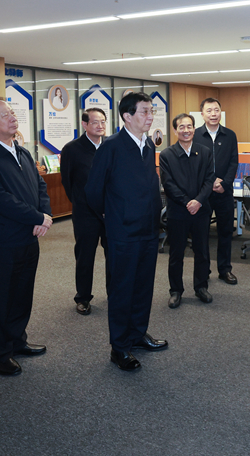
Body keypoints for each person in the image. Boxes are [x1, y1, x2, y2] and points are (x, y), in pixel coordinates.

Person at [0, 98, 52, 377]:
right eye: (5, 115)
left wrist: (44, 213)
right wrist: (36, 217)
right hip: (0, 242)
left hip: (28, 238)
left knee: (21, 295)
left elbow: (40, 185)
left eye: (13, 112)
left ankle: (17, 341)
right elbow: (0, 199)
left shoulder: (22, 151)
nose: (13, 117)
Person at [86, 92, 168, 372]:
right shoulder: (111, 147)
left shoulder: (148, 144)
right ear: (127, 116)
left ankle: (137, 334)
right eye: (145, 111)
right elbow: (93, 191)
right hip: (123, 233)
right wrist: (111, 216)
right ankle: (119, 346)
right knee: (122, 289)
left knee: (143, 286)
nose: (150, 116)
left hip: (148, 230)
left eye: (151, 111)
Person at [161, 113, 214, 308]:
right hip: (178, 212)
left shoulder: (205, 152)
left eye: (189, 126)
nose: (186, 130)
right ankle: (176, 290)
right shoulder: (167, 155)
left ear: (194, 128)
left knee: (202, 251)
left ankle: (201, 287)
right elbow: (168, 184)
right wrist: (187, 203)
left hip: (201, 210)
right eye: (181, 127)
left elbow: (209, 180)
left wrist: (198, 201)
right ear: (175, 130)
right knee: (176, 253)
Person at [60, 108, 108, 316]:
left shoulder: (110, 146)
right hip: (85, 213)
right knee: (85, 256)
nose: (100, 126)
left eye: (103, 121)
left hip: (111, 212)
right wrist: (81, 203)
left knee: (114, 254)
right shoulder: (72, 149)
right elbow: (67, 181)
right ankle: (83, 298)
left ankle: (115, 293)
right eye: (95, 122)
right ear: (85, 124)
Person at [194, 98, 239, 285]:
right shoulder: (195, 135)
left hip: (224, 192)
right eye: (209, 110)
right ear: (202, 114)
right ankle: (203, 270)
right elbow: (193, 165)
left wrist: (225, 183)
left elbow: (233, 162)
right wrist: (211, 182)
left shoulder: (230, 135)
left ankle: (225, 269)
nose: (213, 114)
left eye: (216, 110)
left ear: (221, 112)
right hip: (202, 193)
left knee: (225, 232)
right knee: (202, 234)